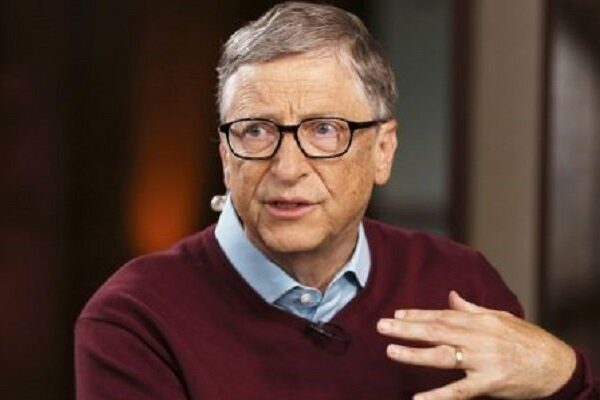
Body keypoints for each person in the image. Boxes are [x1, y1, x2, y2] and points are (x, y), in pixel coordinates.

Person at [75, 2, 598, 399]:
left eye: (325, 130)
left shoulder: (461, 283)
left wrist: (563, 374)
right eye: (256, 131)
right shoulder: (135, 319)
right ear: (225, 154)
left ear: (383, 151)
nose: (287, 168)